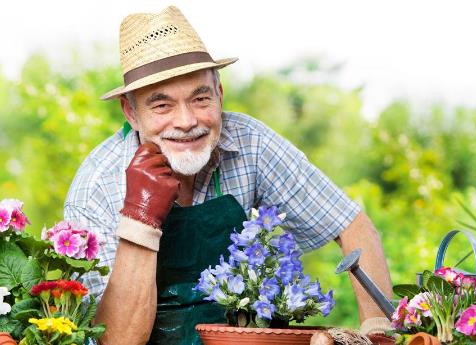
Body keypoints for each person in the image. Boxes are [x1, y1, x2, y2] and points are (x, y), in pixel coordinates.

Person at [64, 5, 392, 345]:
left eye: (200, 98)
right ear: (131, 112)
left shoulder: (251, 143)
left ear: (219, 94)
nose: (187, 121)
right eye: (162, 105)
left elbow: (352, 225)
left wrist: (378, 330)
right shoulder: (97, 187)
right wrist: (140, 217)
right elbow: (116, 342)